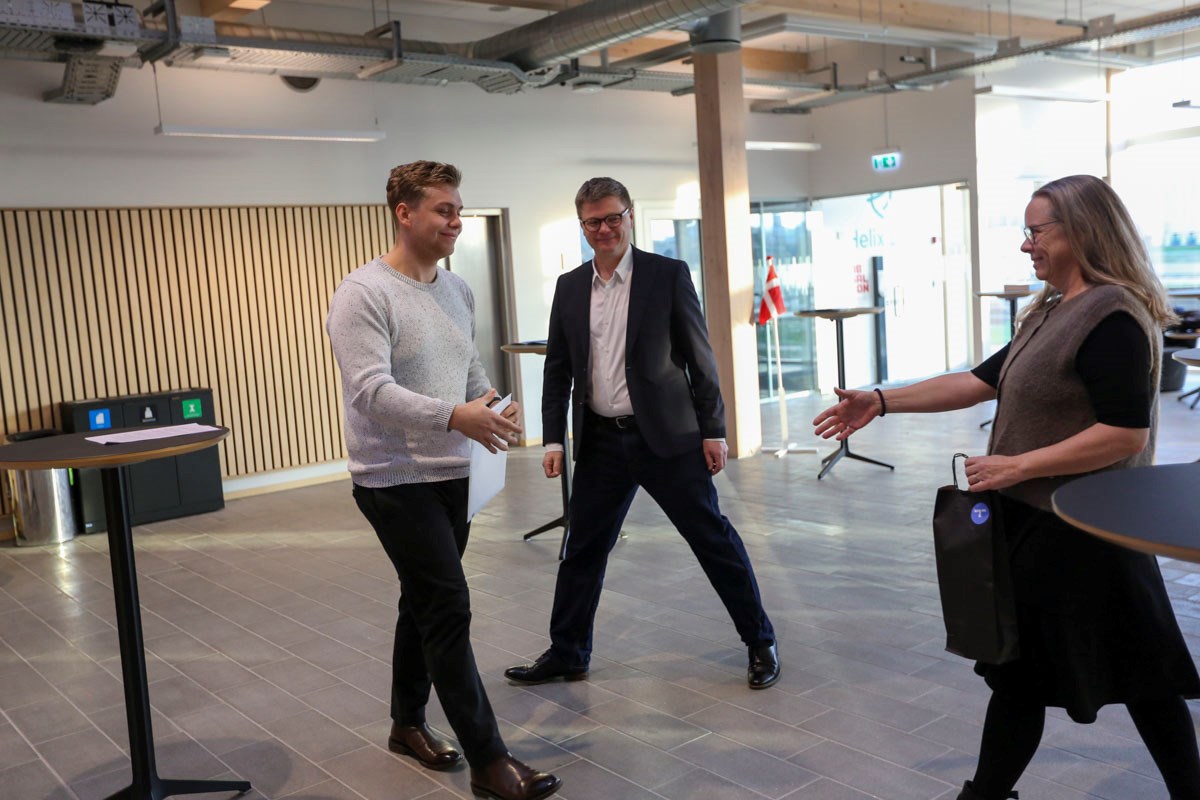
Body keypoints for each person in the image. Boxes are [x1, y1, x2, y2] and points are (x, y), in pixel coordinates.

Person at [813, 174, 1200, 800]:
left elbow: (1124, 433)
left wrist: (1019, 466)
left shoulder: (1112, 316)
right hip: (1042, 525)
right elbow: (976, 382)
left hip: (1087, 533)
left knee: (1130, 680)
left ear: (1081, 231)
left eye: (1036, 231)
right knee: (1052, 678)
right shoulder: (1050, 312)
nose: (1026, 245)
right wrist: (881, 400)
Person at [326, 161, 561, 800]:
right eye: (444, 210)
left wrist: (492, 401)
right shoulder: (362, 293)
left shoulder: (457, 288)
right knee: (448, 604)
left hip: (456, 472)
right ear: (404, 213)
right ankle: (490, 761)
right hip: (393, 479)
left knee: (424, 600)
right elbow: (371, 391)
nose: (457, 221)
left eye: (459, 209)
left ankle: (406, 723)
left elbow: (468, 367)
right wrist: (456, 415)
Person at [504, 177, 779, 690]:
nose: (604, 229)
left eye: (614, 217)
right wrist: (553, 439)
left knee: (711, 539)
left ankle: (760, 641)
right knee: (582, 549)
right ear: (582, 225)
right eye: (593, 221)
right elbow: (557, 370)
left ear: (629, 216)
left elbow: (700, 359)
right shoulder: (569, 287)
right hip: (601, 442)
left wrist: (714, 430)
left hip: (669, 439)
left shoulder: (667, 275)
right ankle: (568, 653)